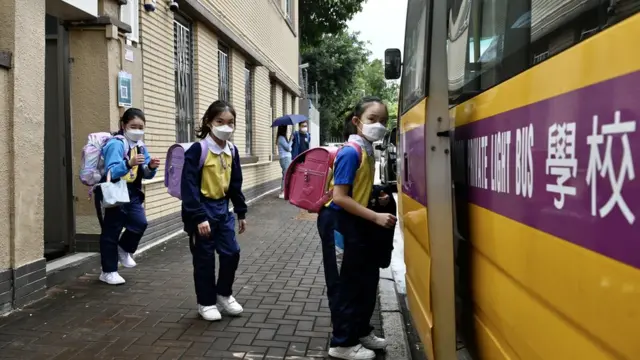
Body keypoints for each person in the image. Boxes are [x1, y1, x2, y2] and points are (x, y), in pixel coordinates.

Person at [316, 96, 396, 360]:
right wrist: (375, 216)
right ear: (356, 121)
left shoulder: (367, 150)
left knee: (364, 280)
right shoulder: (351, 152)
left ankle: (361, 331)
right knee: (345, 285)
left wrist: (377, 196)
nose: (379, 125)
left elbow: (355, 188)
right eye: (372, 119)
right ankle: (342, 343)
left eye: (383, 121)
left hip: (355, 221)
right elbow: (339, 197)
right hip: (339, 223)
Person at [181, 100, 248, 322]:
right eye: (220, 121)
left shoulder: (232, 150)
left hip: (223, 209)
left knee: (232, 252)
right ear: (210, 122)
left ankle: (223, 293)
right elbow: (188, 186)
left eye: (231, 123)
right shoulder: (197, 150)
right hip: (202, 208)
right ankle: (206, 302)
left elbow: (235, 183)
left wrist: (240, 212)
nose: (225, 127)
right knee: (204, 258)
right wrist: (198, 216)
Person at [99, 108, 160, 285]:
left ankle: (124, 248)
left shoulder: (140, 146)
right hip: (115, 189)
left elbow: (146, 174)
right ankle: (108, 271)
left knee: (140, 222)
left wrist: (152, 167)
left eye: (141, 127)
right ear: (123, 125)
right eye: (133, 126)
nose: (137, 130)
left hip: (132, 191)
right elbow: (111, 171)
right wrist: (128, 163)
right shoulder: (116, 144)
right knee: (112, 230)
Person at [276, 125, 293, 199]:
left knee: (285, 174)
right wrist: (291, 140)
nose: (286, 130)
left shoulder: (282, 138)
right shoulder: (281, 138)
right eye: (285, 129)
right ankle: (282, 192)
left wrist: (289, 140)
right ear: (283, 129)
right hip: (285, 158)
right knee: (285, 175)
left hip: (286, 158)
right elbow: (289, 148)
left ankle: (284, 191)